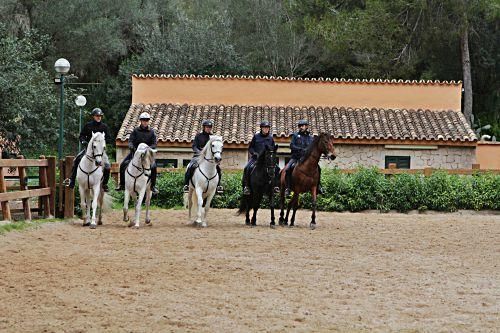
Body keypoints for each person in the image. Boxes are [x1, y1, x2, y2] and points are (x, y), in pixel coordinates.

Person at [67, 108, 111, 192]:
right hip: (89, 150)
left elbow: (109, 138)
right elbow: (81, 135)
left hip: (100, 152)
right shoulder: (88, 125)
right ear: (93, 116)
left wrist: (103, 142)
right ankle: (72, 180)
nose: (99, 117)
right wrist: (83, 141)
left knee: (108, 166)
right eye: (97, 116)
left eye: (100, 116)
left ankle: (105, 184)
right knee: (77, 160)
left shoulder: (104, 127)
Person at [115, 112, 158, 194]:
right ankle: (122, 184)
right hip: (135, 153)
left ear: (148, 121)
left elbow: (154, 144)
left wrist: (148, 148)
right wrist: (131, 146)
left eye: (146, 120)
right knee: (123, 164)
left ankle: (153, 186)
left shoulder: (152, 132)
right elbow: (130, 141)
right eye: (143, 120)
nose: (145, 122)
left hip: (146, 155)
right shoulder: (135, 131)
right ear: (140, 121)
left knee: (153, 166)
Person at [284, 119, 323, 196]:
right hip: (296, 157)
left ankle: (318, 186)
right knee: (288, 168)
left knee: (318, 168)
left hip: (306, 159)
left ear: (307, 127)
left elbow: (313, 148)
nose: (302, 127)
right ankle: (288, 188)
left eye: (303, 126)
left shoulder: (311, 138)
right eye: (300, 126)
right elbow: (292, 146)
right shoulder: (295, 136)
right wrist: (301, 150)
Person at [183, 120, 223, 194]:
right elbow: (194, 146)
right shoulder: (198, 136)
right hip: (198, 156)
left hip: (209, 158)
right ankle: (186, 185)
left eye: (210, 127)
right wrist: (199, 152)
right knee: (190, 166)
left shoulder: (212, 137)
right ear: (204, 127)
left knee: (218, 169)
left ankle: (219, 185)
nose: (208, 129)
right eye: (207, 127)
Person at [242, 121, 279, 195]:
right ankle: (247, 187)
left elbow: (273, 149)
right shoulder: (256, 136)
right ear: (261, 128)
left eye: (267, 128)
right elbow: (250, 148)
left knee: (277, 168)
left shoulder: (271, 138)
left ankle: (275, 186)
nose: (266, 129)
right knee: (247, 167)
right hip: (256, 158)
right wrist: (254, 153)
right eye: (264, 128)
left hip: (267, 160)